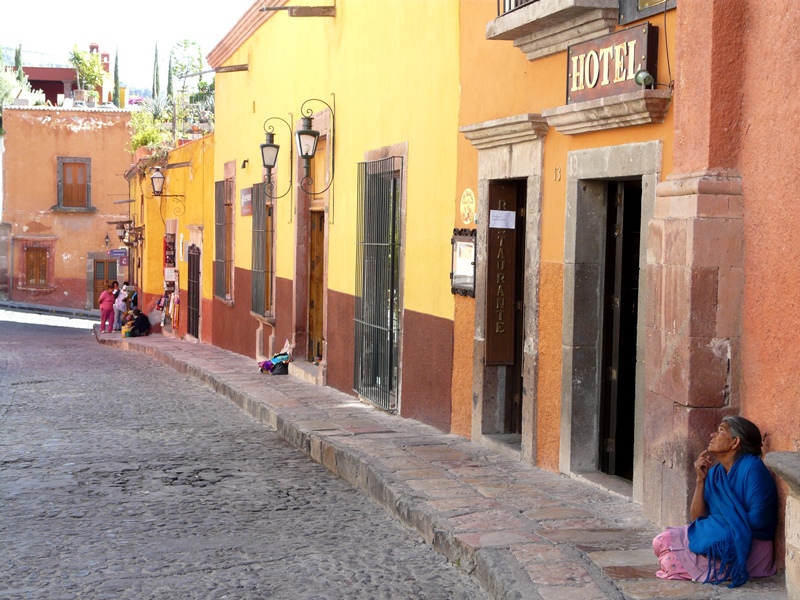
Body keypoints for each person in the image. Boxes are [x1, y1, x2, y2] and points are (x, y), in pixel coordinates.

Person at [653, 416, 778, 587]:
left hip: (746, 545)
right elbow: (697, 517)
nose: (712, 435)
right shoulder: (716, 473)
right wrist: (700, 480)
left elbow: (760, 520)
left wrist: (718, 527)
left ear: (735, 442)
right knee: (661, 541)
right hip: (718, 535)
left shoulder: (752, 468)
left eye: (721, 431)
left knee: (669, 562)